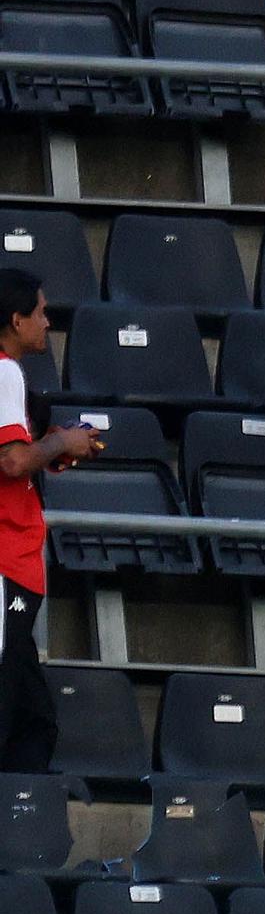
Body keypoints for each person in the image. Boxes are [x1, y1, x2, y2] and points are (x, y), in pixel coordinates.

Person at [0, 269, 99, 770]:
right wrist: (62, 442)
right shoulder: (3, 371)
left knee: (33, 721)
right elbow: (13, 461)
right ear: (16, 321)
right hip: (4, 566)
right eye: (38, 311)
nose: (46, 319)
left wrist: (57, 449)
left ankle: (19, 832)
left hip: (15, 566)